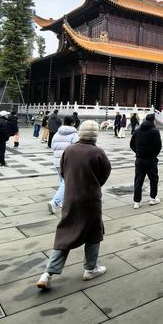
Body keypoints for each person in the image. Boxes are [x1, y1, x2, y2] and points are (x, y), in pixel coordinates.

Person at [37, 120, 111, 289]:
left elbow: (63, 172)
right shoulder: (97, 152)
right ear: (95, 135)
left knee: (66, 232)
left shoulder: (69, 150)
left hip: (70, 197)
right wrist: (94, 184)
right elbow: (105, 172)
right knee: (94, 231)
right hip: (90, 198)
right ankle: (90, 268)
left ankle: (47, 273)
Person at [47, 115, 79, 215]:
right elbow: (76, 148)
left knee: (62, 181)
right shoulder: (74, 134)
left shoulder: (57, 133)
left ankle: (62, 201)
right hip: (68, 161)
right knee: (66, 182)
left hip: (57, 161)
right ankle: (55, 202)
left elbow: (52, 146)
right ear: (73, 123)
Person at [130, 113, 162, 209]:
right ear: (153, 121)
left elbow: (131, 144)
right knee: (153, 179)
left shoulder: (137, 130)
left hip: (139, 159)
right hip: (151, 159)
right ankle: (152, 198)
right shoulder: (155, 131)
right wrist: (153, 155)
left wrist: (138, 152)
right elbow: (158, 146)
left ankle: (137, 202)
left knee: (138, 180)